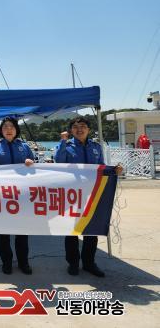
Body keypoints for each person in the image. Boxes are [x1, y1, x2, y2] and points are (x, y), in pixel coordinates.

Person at [55, 116, 123, 277]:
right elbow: (58, 162)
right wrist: (63, 142)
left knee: (91, 230)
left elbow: (101, 167)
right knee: (71, 231)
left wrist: (114, 170)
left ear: (89, 129)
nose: (79, 129)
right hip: (72, 194)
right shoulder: (66, 145)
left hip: (93, 193)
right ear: (71, 130)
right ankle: (73, 263)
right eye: (76, 127)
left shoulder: (96, 146)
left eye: (83, 126)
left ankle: (89, 263)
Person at [0, 116, 35, 275]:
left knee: (22, 232)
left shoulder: (24, 146)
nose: (8, 129)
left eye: (11, 126)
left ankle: (24, 262)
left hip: (22, 194)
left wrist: (30, 162)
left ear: (16, 129)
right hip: (2, 195)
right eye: (5, 127)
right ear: (1, 130)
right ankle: (6, 262)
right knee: (3, 232)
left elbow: (35, 166)